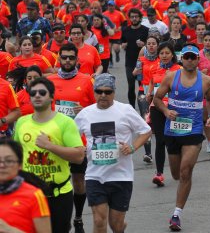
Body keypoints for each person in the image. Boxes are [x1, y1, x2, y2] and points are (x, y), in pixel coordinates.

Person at [75, 73, 152, 233]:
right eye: (99, 91)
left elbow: (146, 131)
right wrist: (78, 148)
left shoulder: (125, 110)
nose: (103, 95)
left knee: (116, 224)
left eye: (108, 92)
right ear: (94, 91)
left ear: (114, 92)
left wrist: (132, 148)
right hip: (94, 176)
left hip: (121, 176)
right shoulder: (85, 114)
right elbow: (72, 137)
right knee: (99, 220)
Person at [153, 44, 210, 231]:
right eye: (186, 57)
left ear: (198, 59)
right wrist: (165, 110)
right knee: (175, 174)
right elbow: (156, 98)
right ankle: (179, 195)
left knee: (186, 171)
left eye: (193, 57)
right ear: (181, 59)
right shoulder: (171, 77)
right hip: (172, 130)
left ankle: (176, 214)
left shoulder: (205, 80)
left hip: (194, 130)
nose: (189, 60)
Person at [13, 77, 85, 233]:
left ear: (51, 97)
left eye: (42, 92)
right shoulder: (21, 123)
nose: (37, 95)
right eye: (33, 93)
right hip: (29, 196)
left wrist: (50, 146)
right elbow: (15, 157)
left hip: (58, 195)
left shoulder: (65, 122)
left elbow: (79, 155)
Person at [48, 43, 96, 233]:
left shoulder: (86, 80)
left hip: (78, 142)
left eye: (71, 57)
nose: (67, 60)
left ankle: (77, 218)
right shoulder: (49, 81)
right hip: (54, 141)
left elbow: (98, 108)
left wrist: (84, 110)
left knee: (78, 182)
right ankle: (58, 219)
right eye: (64, 57)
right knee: (54, 181)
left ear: (77, 60)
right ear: (59, 59)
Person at [147, 42, 181, 186]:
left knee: (175, 140)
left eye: (167, 53)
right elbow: (151, 83)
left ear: (172, 54)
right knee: (160, 141)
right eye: (162, 53)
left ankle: (180, 168)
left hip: (174, 108)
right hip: (157, 107)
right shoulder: (154, 68)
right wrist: (149, 94)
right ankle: (159, 173)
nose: (164, 56)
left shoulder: (179, 69)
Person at [0, 137, 51, 233]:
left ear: (20, 165)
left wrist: (9, 230)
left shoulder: (35, 195)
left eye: (9, 161)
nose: (2, 165)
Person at [133, 36, 160, 163]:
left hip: (160, 93)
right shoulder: (141, 59)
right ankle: (148, 153)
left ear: (157, 45)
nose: (151, 46)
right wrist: (137, 71)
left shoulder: (162, 59)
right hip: (144, 92)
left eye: (153, 44)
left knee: (159, 122)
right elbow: (135, 73)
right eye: (149, 44)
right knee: (145, 121)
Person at [121, 8, 149, 108]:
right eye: (132, 17)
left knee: (143, 87)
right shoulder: (125, 30)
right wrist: (123, 45)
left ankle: (143, 107)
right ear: (129, 18)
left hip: (143, 63)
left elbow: (151, 45)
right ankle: (132, 108)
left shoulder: (146, 30)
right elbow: (123, 42)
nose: (134, 19)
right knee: (131, 86)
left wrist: (144, 44)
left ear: (140, 18)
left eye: (136, 17)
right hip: (130, 63)